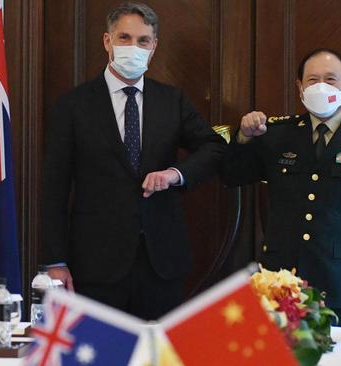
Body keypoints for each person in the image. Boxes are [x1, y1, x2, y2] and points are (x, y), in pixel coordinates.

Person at [40, 2, 226, 320]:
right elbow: (53, 188)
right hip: (95, 265)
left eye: (142, 41)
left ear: (153, 48)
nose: (133, 47)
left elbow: (213, 148)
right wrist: (54, 261)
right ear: (107, 42)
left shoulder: (172, 101)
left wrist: (175, 174)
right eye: (124, 37)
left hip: (161, 263)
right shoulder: (73, 106)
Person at [221, 48, 341, 326]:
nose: (321, 86)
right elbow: (232, 175)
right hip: (280, 281)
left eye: (331, 79)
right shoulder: (276, 134)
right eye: (313, 80)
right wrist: (243, 137)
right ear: (300, 87)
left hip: (340, 284)